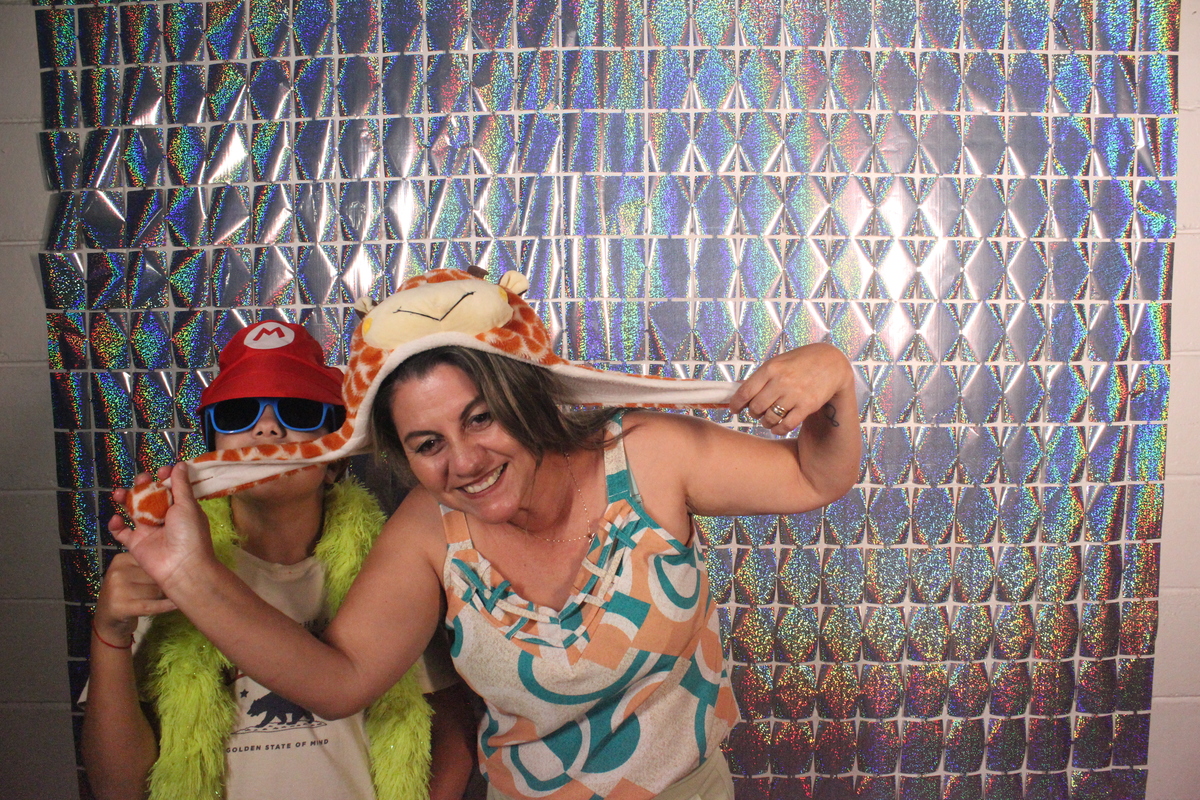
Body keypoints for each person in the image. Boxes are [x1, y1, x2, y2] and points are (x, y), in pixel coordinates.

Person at [110, 270, 861, 800]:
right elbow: (339, 681)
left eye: (480, 418)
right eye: (427, 444)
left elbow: (814, 476)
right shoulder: (427, 531)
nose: (464, 462)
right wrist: (190, 575)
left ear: (524, 396)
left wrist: (834, 373)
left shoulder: (648, 456)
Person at [84, 320, 477, 800]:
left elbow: (452, 731)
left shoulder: (393, 568)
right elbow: (117, 788)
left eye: (299, 411)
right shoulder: (160, 568)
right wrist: (110, 632)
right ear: (212, 454)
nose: (267, 428)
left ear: (335, 460)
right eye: (238, 412)